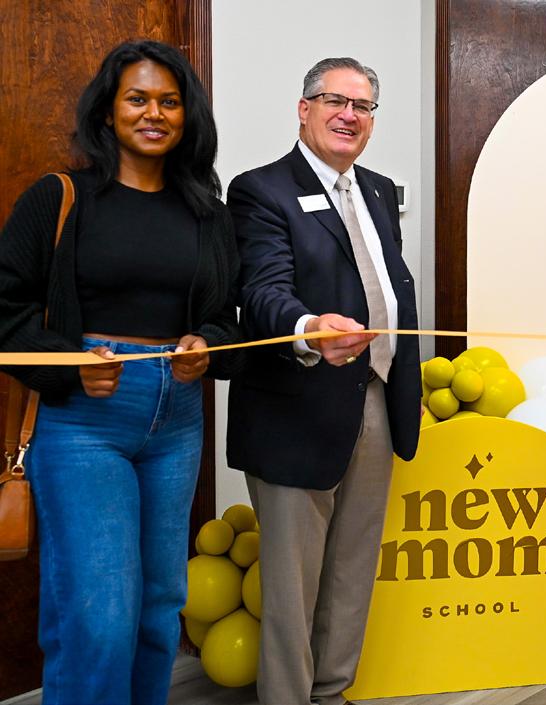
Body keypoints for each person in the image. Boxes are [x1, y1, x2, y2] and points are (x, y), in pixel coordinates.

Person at [0, 40, 242, 704]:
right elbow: (4, 309)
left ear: (187, 115)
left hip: (177, 419)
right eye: (137, 98)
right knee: (100, 615)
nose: (154, 113)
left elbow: (227, 318)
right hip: (83, 423)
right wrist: (69, 365)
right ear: (107, 111)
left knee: (159, 607)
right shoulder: (59, 197)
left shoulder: (208, 212)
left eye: (169, 101)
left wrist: (207, 345)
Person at [226, 57, 421, 704]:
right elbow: (262, 291)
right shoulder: (260, 190)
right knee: (292, 583)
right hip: (296, 407)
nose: (349, 115)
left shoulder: (378, 190)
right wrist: (309, 328)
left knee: (351, 570)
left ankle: (331, 692)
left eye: (362, 106)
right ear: (304, 108)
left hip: (375, 396)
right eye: (335, 100)